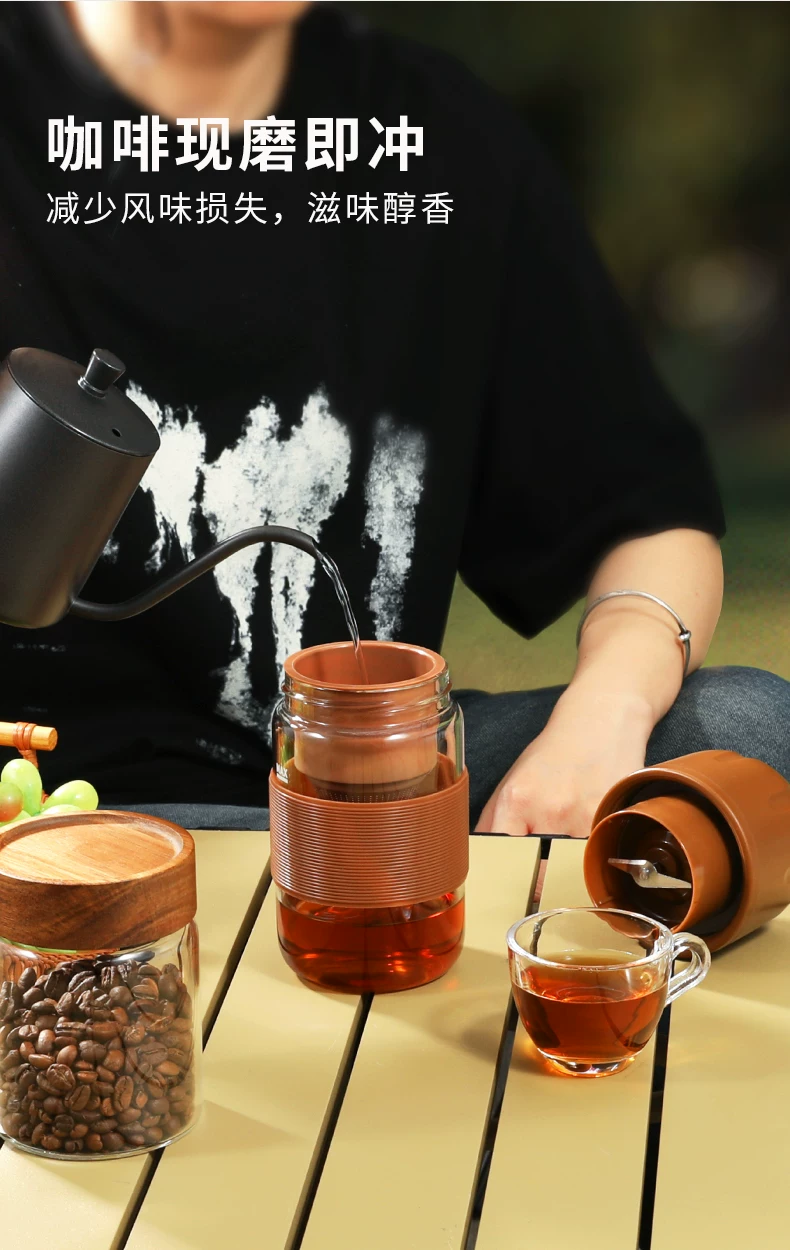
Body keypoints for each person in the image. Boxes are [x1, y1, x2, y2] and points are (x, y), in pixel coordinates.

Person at [0, 1, 787, 836]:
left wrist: (603, 719)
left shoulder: (442, 140)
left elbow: (649, 518)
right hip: (50, 805)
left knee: (743, 732)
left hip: (372, 787)